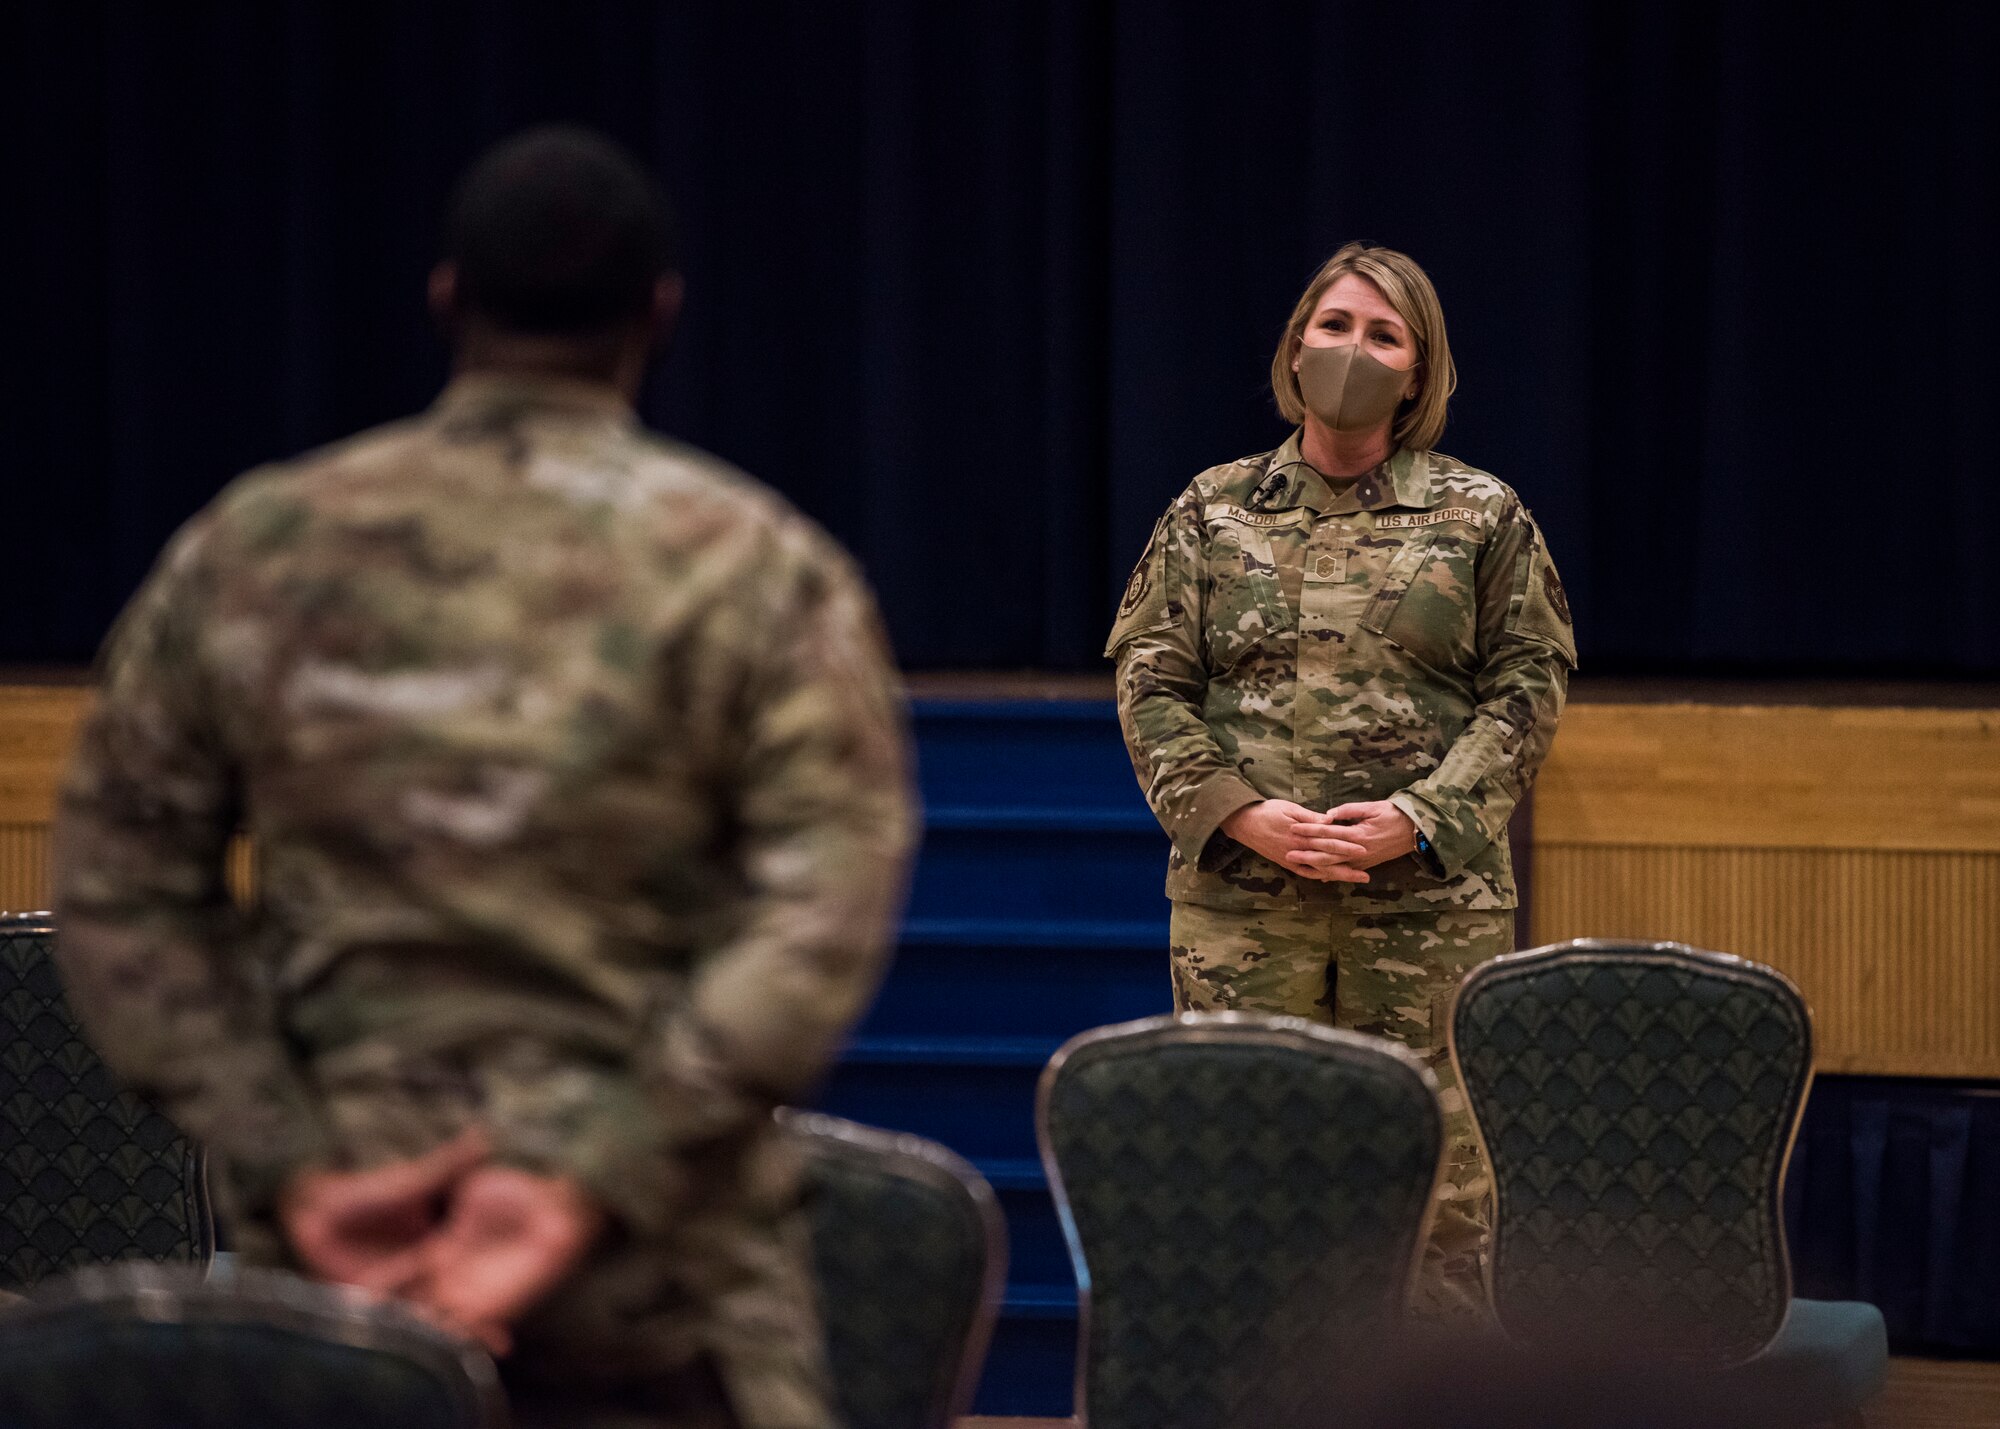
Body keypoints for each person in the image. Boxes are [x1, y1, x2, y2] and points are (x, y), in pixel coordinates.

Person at [52, 125, 916, 1429]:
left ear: (449, 299)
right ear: (660, 315)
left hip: (341, 1292)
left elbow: (120, 884)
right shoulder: (755, 567)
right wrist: (587, 1172)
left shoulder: (256, 549)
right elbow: (820, 907)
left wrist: (296, 1162)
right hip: (659, 1286)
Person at [1105, 241, 1575, 1313]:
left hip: (1423, 911)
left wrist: (1421, 818)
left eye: (1381, 334)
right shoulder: (1209, 510)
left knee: (1438, 1205)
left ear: (1417, 370)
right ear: (1294, 345)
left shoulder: (1481, 516)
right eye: (1332, 326)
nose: (1351, 350)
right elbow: (1150, 687)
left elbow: (1526, 690)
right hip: (1242, 909)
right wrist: (1240, 814)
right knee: (1237, 1190)